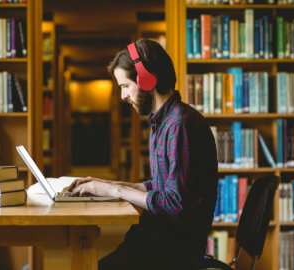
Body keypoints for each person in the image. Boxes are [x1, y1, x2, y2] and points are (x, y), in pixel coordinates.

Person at [69, 38, 219, 270]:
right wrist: (105, 184)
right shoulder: (162, 122)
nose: (123, 96)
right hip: (157, 238)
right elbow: (161, 186)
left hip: (174, 250)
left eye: (125, 86)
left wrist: (114, 190)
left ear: (147, 80)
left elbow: (175, 203)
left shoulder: (180, 124)